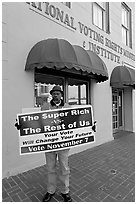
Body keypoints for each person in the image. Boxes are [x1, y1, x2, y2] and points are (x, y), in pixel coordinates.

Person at [41, 85, 72, 202]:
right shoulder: (44, 106)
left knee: (64, 168)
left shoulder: (68, 107)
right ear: (51, 94)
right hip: (49, 142)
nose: (55, 95)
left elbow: (74, 122)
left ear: (61, 95)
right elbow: (38, 121)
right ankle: (50, 191)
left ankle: (65, 191)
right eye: (54, 93)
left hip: (63, 143)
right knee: (50, 168)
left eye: (58, 93)